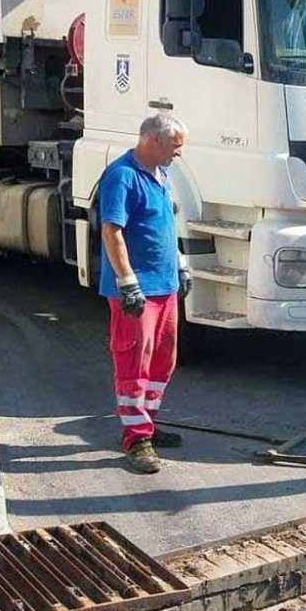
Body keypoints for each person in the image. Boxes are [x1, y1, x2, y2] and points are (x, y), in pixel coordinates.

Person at [100, 114, 192, 474]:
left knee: (162, 360)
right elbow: (112, 231)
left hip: (164, 285)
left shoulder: (160, 174)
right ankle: (136, 439)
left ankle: (146, 425)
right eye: (175, 146)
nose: (179, 154)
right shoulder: (122, 176)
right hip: (139, 289)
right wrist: (127, 283)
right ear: (154, 140)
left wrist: (181, 266)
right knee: (134, 362)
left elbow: (168, 223)